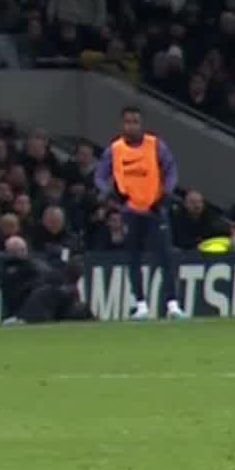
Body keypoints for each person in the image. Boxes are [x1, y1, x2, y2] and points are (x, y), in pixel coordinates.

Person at [93, 105, 185, 320]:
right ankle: (141, 304)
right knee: (133, 257)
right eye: (127, 122)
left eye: (135, 121)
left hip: (154, 208)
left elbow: (171, 169)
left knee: (165, 256)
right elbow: (99, 176)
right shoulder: (114, 150)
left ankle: (172, 304)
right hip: (130, 210)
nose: (131, 126)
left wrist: (166, 193)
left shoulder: (155, 145)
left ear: (141, 124)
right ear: (121, 124)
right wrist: (111, 193)